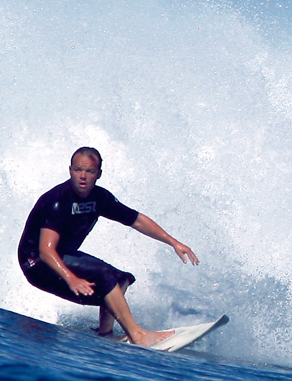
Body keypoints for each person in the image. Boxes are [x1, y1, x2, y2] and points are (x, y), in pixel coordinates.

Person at [17, 146, 199, 347]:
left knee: (121, 280)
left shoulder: (100, 198)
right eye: (78, 170)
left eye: (90, 171)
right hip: (37, 263)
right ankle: (139, 336)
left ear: (99, 174)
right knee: (105, 276)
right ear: (70, 170)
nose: (83, 176)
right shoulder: (57, 201)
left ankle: (104, 334)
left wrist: (173, 242)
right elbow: (46, 250)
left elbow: (137, 220)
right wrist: (72, 279)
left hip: (63, 255)